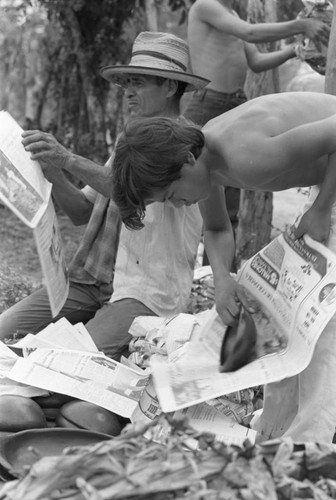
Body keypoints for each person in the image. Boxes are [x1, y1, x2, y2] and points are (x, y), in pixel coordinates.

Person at [110, 91, 336, 443]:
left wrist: (322, 207)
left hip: (328, 191)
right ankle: (279, 428)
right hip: (325, 183)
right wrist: (221, 279)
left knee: (324, 331)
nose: (179, 205)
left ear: (186, 160)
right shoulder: (208, 163)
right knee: (280, 322)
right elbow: (216, 230)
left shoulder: (247, 154)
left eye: (171, 196)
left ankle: (312, 441)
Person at [0, 32, 210, 361]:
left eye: (138, 83)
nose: (128, 92)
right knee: (5, 332)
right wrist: (52, 175)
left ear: (170, 87)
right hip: (89, 279)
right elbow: (83, 211)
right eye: (126, 83)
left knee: (65, 363)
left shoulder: (187, 146)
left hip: (145, 292)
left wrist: (68, 159)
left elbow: (139, 193)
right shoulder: (130, 141)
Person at [183, 0, 330, 265]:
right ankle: (211, 272)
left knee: (230, 204)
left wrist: (295, 51)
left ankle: (222, 271)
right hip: (209, 102)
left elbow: (258, 62)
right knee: (202, 197)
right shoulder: (205, 6)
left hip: (235, 101)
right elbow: (250, 32)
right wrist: (302, 25)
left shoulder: (232, 13)